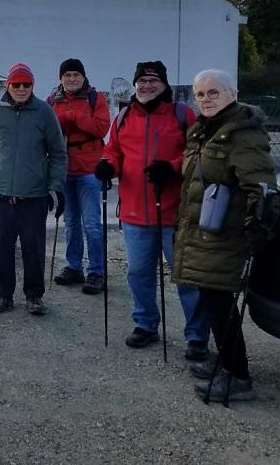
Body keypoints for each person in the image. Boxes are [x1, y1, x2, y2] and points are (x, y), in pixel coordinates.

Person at [174, 69, 278, 402]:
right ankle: (228, 364)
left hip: (227, 234)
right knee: (212, 301)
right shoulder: (202, 131)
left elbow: (259, 185)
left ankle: (238, 377)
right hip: (204, 233)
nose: (205, 99)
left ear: (232, 93)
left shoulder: (243, 134)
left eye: (213, 92)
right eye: (200, 94)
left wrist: (258, 222)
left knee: (219, 303)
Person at [95, 60, 210, 356]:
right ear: (135, 85)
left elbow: (198, 154)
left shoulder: (182, 114)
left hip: (176, 212)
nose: (147, 86)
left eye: (153, 80)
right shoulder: (122, 118)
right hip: (135, 211)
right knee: (138, 273)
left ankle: (197, 336)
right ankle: (145, 323)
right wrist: (108, 166)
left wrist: (172, 168)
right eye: (142, 81)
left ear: (164, 84)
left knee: (186, 276)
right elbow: (114, 150)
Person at [0, 63, 67, 315]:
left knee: (33, 249)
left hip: (34, 195)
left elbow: (58, 153)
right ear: (8, 85)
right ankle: (2, 295)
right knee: (2, 248)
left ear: (33, 85)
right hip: (0, 192)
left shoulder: (44, 112)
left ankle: (34, 296)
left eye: (27, 84)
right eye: (17, 84)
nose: (22, 88)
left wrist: (56, 188)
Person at [47, 58, 111, 294]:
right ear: (61, 78)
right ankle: (74, 267)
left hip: (89, 169)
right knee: (71, 222)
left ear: (83, 77)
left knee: (92, 224)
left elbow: (101, 128)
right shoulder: (53, 99)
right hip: (65, 168)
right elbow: (47, 126)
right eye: (67, 75)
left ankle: (96, 271)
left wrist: (73, 118)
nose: (71, 79)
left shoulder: (96, 98)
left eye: (76, 75)